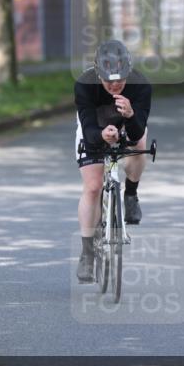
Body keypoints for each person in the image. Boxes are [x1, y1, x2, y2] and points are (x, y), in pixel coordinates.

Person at [74, 40, 152, 283]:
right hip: (95, 129)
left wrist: (129, 115)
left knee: (140, 147)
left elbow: (138, 132)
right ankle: (87, 252)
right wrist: (101, 136)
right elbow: (87, 128)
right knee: (93, 187)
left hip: (129, 126)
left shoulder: (140, 86)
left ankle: (130, 194)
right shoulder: (85, 85)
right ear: (98, 74)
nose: (115, 85)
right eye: (109, 81)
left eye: (120, 80)